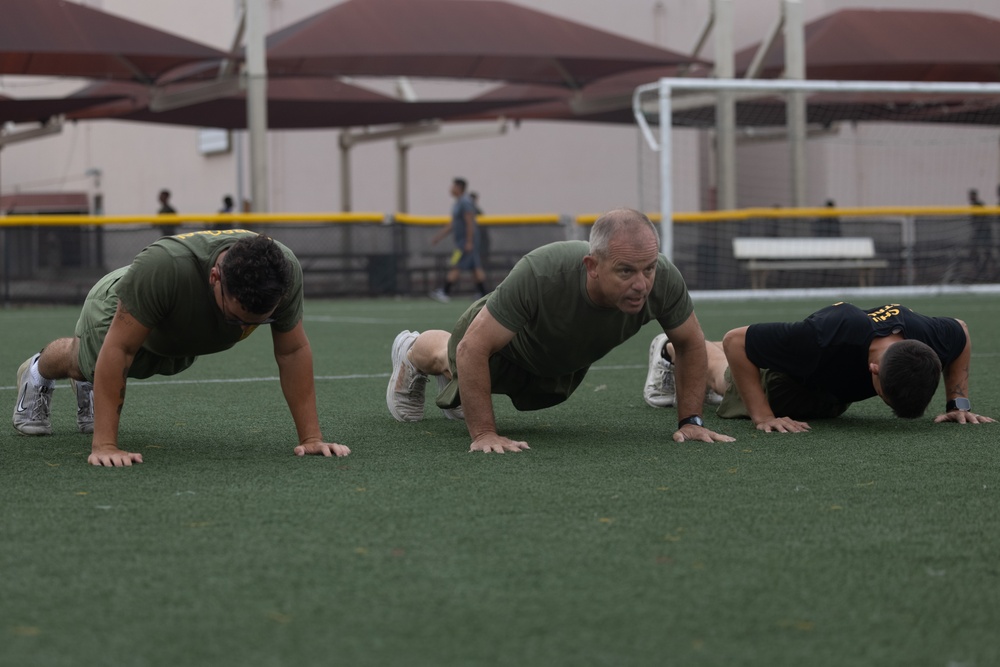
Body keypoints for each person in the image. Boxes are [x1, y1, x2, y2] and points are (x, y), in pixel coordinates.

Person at [387, 207, 734, 453]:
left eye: (648, 269)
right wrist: (485, 433)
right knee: (451, 356)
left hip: (556, 362)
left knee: (534, 391)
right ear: (592, 266)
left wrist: (691, 420)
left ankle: (462, 387)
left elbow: (689, 344)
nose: (642, 283)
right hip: (501, 345)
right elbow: (472, 349)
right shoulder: (541, 272)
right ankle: (409, 350)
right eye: (626, 271)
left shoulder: (664, 279)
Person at [12, 229, 351, 467]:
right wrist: (105, 446)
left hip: (178, 336)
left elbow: (291, 352)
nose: (244, 327)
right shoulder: (164, 267)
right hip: (120, 305)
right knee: (87, 362)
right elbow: (119, 351)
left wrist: (311, 439)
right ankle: (38, 371)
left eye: (256, 322)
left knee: (153, 360)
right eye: (235, 318)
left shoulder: (282, 272)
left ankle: (91, 385)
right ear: (215, 277)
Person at [643, 302, 994, 432]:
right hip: (790, 375)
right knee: (728, 375)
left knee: (827, 407)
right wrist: (763, 416)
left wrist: (957, 403)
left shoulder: (928, 334)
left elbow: (960, 332)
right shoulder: (826, 337)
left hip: (829, 384)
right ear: (873, 370)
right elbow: (736, 340)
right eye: (885, 398)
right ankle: (669, 350)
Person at [429, 177, 487, 302]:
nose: (450, 189)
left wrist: (469, 241)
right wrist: (438, 237)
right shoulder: (458, 203)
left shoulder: (465, 202)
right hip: (463, 241)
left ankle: (445, 291)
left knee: (455, 264)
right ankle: (483, 293)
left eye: (453, 186)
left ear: (459, 188)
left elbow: (469, 222)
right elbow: (453, 224)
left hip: (465, 242)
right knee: (475, 267)